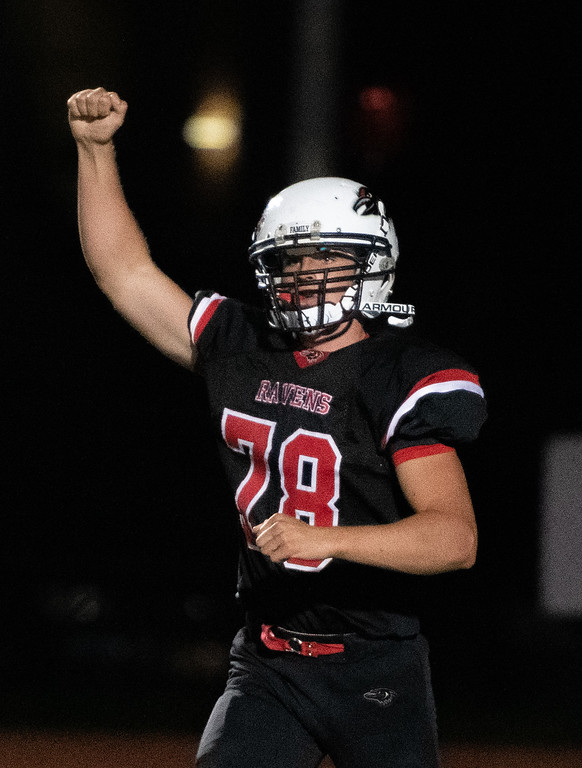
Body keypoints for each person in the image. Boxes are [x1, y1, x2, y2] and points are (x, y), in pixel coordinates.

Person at [67, 87, 486, 768]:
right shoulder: (244, 344)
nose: (306, 276)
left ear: (372, 264)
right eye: (292, 262)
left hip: (374, 666)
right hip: (266, 657)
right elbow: (125, 273)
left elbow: (455, 536)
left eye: (326, 259)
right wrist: (95, 150)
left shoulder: (398, 375)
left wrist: (324, 537)